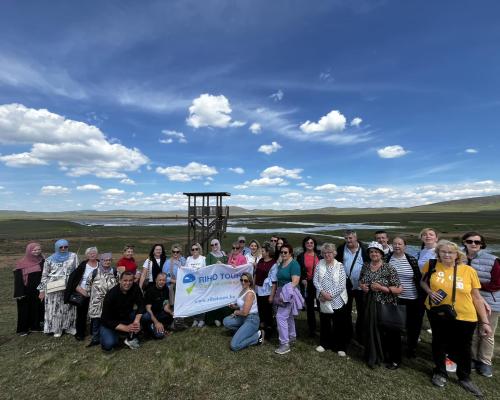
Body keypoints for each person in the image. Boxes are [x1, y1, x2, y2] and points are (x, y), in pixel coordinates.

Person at [420, 240, 492, 397]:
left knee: (464, 346)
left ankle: (464, 377)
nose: (447, 255)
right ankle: (440, 372)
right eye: (443, 251)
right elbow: (423, 282)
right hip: (437, 312)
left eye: (450, 252)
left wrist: (485, 321)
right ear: (438, 253)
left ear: (457, 255)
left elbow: (476, 297)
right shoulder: (431, 265)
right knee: (439, 342)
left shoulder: (468, 271)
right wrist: (430, 292)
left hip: (465, 315)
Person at [359, 242, 402, 369]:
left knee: (389, 331)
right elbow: (361, 280)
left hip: (386, 304)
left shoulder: (389, 268)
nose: (374, 254)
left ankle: (393, 359)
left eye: (376, 252)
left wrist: (382, 288)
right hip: (370, 302)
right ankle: (374, 354)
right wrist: (363, 286)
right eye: (371, 252)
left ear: (381, 254)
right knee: (372, 329)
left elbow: (399, 289)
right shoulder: (366, 266)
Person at [462, 231, 500, 378]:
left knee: (486, 332)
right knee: (470, 331)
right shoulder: (459, 258)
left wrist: (474, 286)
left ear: (482, 244)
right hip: (467, 301)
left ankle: (484, 361)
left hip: (490, 301)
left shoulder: (492, 260)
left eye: (477, 242)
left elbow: (497, 284)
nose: (473, 244)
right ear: (464, 242)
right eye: (469, 241)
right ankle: (471, 358)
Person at [386, 237, 424, 358]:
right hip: (394, 297)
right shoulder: (387, 258)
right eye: (395, 244)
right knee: (394, 325)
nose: (397, 246)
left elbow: (418, 277)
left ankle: (411, 348)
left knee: (413, 325)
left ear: (405, 246)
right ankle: (394, 349)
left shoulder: (411, 259)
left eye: (400, 244)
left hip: (412, 297)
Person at [313, 243, 349, 356]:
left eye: (329, 252)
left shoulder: (340, 266)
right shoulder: (319, 264)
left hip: (337, 299)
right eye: (325, 253)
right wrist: (323, 294)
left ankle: (340, 347)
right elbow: (315, 281)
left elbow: (342, 285)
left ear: (334, 253)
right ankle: (324, 344)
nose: (327, 255)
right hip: (323, 298)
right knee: (325, 322)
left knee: (339, 323)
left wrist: (330, 295)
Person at [37, 239, 78, 337]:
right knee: (55, 309)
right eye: (61, 247)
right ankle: (57, 329)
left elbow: (77, 271)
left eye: (65, 246)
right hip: (53, 287)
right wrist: (41, 290)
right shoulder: (49, 260)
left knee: (69, 307)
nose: (63, 248)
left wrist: (77, 285)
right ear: (56, 247)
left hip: (68, 286)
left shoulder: (73, 256)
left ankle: (69, 327)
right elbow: (44, 275)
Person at [335, 230, 368, 342]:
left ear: (355, 238)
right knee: (346, 310)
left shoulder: (364, 249)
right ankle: (348, 333)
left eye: (350, 238)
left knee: (362, 311)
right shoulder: (341, 249)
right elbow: (336, 264)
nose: (348, 240)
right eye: (346, 238)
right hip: (345, 286)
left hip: (361, 286)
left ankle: (360, 334)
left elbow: (369, 265)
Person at [100, 271, 145, 351]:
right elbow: (106, 319)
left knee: (146, 316)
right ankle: (116, 335)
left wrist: (137, 321)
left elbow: (141, 304)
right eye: (125, 280)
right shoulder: (111, 295)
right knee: (109, 344)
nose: (128, 283)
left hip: (126, 317)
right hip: (110, 322)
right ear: (120, 280)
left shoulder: (135, 287)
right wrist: (126, 328)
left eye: (130, 280)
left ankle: (133, 333)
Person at [274, 244, 304, 355]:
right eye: (281, 252)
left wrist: (284, 295)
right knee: (289, 316)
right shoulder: (281, 264)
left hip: (288, 294)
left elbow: (295, 282)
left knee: (280, 317)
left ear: (290, 253)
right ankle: (292, 337)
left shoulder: (294, 264)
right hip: (281, 291)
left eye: (285, 252)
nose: (283, 254)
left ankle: (284, 344)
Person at [223, 272, 264, 351]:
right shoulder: (243, 290)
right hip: (243, 318)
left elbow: (245, 312)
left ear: (249, 282)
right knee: (226, 321)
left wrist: (235, 312)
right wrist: (234, 306)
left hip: (251, 319)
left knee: (234, 346)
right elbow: (243, 306)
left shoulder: (249, 294)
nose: (243, 282)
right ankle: (243, 332)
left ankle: (257, 336)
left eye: (245, 280)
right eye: (241, 280)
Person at [65, 247, 100, 341]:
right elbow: (73, 280)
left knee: (96, 313)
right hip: (84, 292)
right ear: (87, 255)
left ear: (97, 254)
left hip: (97, 293)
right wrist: (80, 290)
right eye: (90, 253)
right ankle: (80, 333)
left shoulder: (100, 264)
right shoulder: (83, 265)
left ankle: (94, 331)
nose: (92, 255)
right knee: (81, 314)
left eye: (94, 253)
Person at [85, 252, 117, 347]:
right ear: (101, 261)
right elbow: (88, 285)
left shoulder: (115, 272)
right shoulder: (94, 272)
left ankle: (109, 336)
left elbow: (119, 284)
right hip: (96, 302)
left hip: (111, 302)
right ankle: (95, 338)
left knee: (109, 319)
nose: (107, 262)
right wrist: (92, 295)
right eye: (105, 260)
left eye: (109, 260)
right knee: (96, 320)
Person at [13, 242, 44, 335]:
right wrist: (19, 293)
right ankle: (23, 329)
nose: (37, 251)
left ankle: (35, 327)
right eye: (34, 250)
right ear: (29, 251)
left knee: (37, 308)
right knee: (24, 309)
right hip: (25, 290)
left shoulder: (42, 261)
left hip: (38, 289)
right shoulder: (21, 263)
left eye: (39, 249)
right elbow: (18, 280)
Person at [297, 236, 321, 337]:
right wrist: (302, 279)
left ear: (314, 244)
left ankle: (324, 327)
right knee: (310, 308)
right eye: (307, 243)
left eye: (311, 243)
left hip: (320, 284)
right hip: (307, 283)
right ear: (304, 244)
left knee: (321, 306)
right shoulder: (301, 256)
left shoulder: (320, 255)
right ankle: (312, 330)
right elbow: (298, 270)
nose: (309, 244)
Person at [254, 242, 277, 336]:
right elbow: (256, 274)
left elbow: (274, 282)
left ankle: (269, 330)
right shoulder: (260, 260)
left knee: (267, 311)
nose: (261, 252)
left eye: (263, 251)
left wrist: (271, 296)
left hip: (266, 291)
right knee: (260, 310)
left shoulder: (273, 264)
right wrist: (253, 287)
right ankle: (261, 328)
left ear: (268, 252)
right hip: (258, 290)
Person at [142, 273, 173, 339]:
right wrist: (156, 322)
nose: (162, 282)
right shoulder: (150, 291)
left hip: (159, 313)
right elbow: (148, 309)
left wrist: (172, 313)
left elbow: (166, 305)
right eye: (160, 280)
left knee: (171, 316)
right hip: (150, 315)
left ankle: (162, 327)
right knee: (159, 335)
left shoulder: (166, 288)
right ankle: (149, 328)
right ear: (156, 280)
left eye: (164, 280)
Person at [185, 243, 207, 327]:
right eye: (193, 249)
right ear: (191, 251)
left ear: (199, 250)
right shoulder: (188, 259)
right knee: (193, 301)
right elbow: (185, 270)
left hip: (201, 283)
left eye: (196, 249)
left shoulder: (203, 258)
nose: (194, 251)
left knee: (201, 301)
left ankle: (201, 319)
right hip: (191, 284)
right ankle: (195, 319)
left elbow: (207, 270)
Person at [162, 243, 186, 309]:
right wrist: (173, 280)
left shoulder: (183, 260)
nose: (175, 253)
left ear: (180, 252)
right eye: (174, 252)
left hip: (182, 285)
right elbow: (163, 276)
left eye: (177, 252)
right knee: (174, 305)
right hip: (172, 286)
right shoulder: (168, 262)